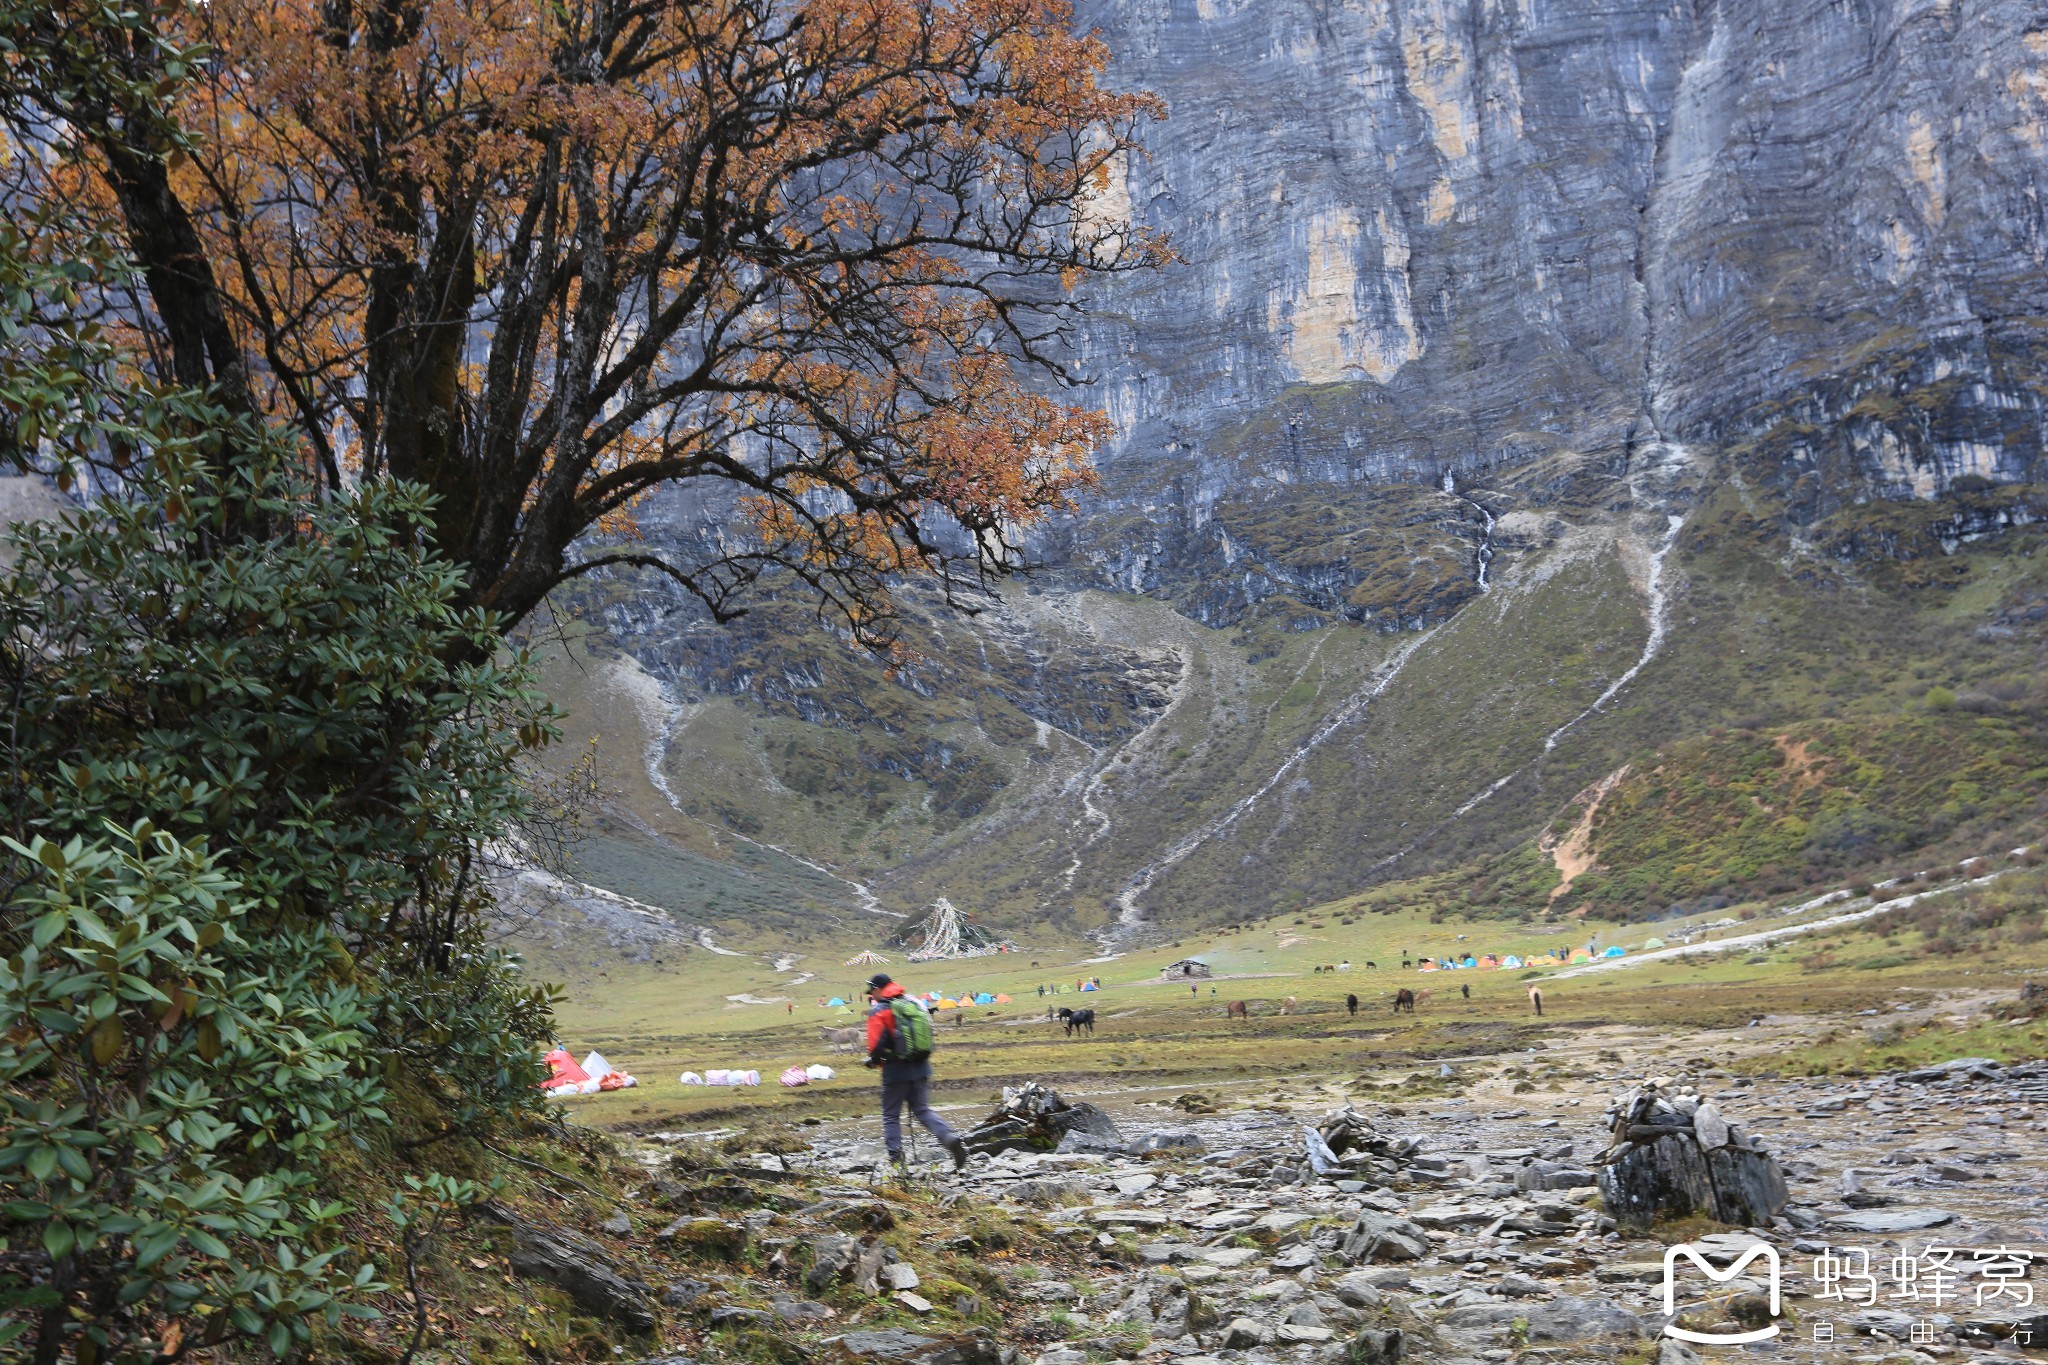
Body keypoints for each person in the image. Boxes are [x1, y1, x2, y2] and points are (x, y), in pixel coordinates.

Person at [863, 973, 969, 1172]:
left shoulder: (879, 1010)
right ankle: (948, 1137)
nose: (872, 996)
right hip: (920, 1066)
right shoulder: (911, 1002)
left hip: (895, 1071)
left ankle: (896, 1162)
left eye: (872, 991)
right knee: (922, 1110)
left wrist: (874, 1061)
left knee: (890, 1115)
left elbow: (876, 1046)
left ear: (878, 989)